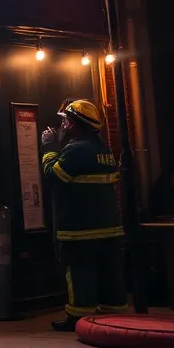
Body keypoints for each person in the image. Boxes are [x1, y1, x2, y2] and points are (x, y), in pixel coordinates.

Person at [41, 99, 128, 331]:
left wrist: (49, 149)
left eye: (65, 121)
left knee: (80, 274)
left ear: (73, 124)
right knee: (110, 273)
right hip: (109, 227)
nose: (63, 125)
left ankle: (77, 318)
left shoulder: (76, 150)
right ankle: (114, 315)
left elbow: (55, 176)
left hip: (80, 229)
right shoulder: (104, 150)